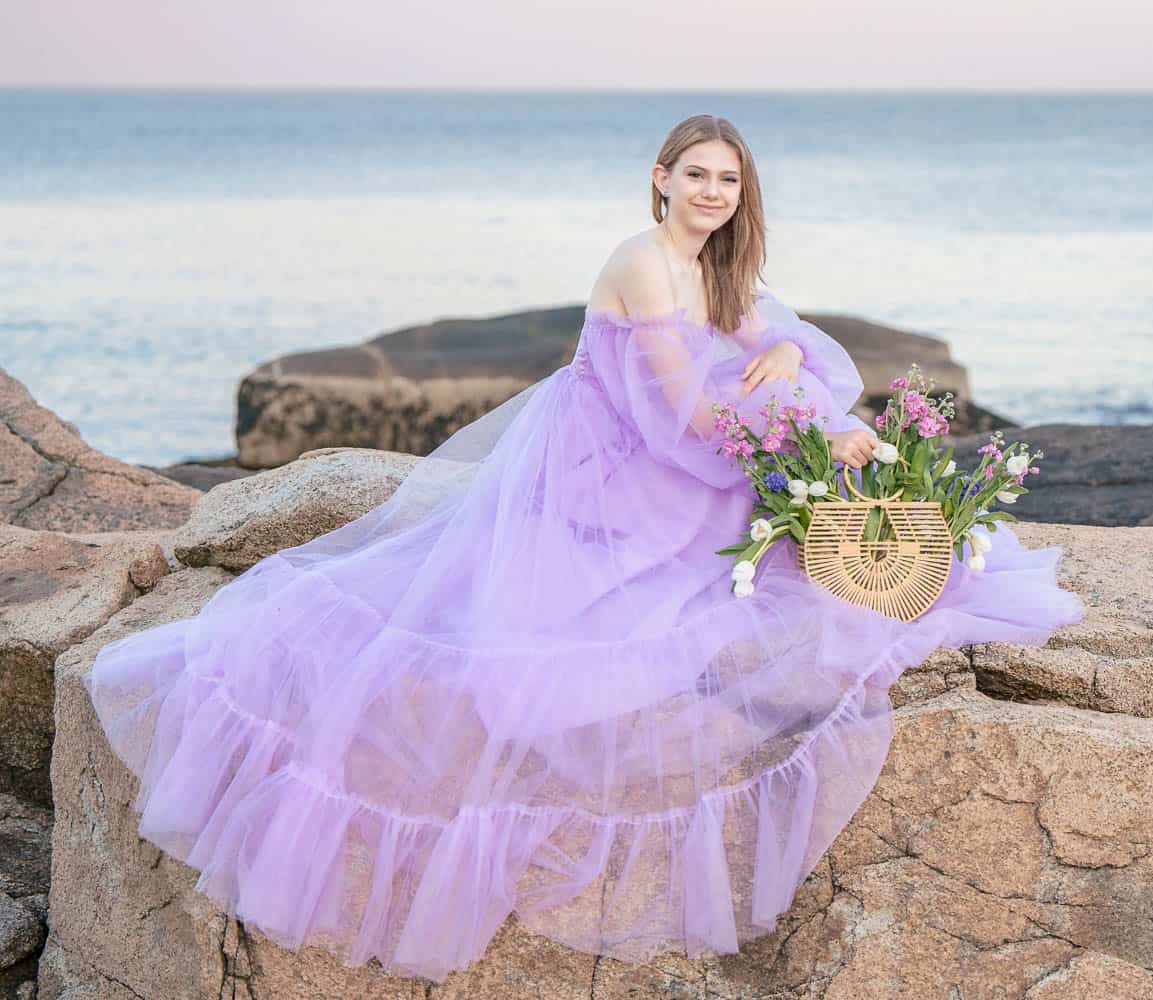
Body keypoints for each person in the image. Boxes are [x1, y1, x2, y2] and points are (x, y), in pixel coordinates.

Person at [86, 114, 1087, 983]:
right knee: (678, 597)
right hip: (616, 461)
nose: (710, 190)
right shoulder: (643, 259)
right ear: (659, 178)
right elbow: (690, 408)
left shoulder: (713, 263)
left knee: (810, 524)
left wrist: (778, 358)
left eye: (727, 179)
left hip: (672, 449)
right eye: (694, 173)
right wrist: (803, 419)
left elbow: (766, 330)